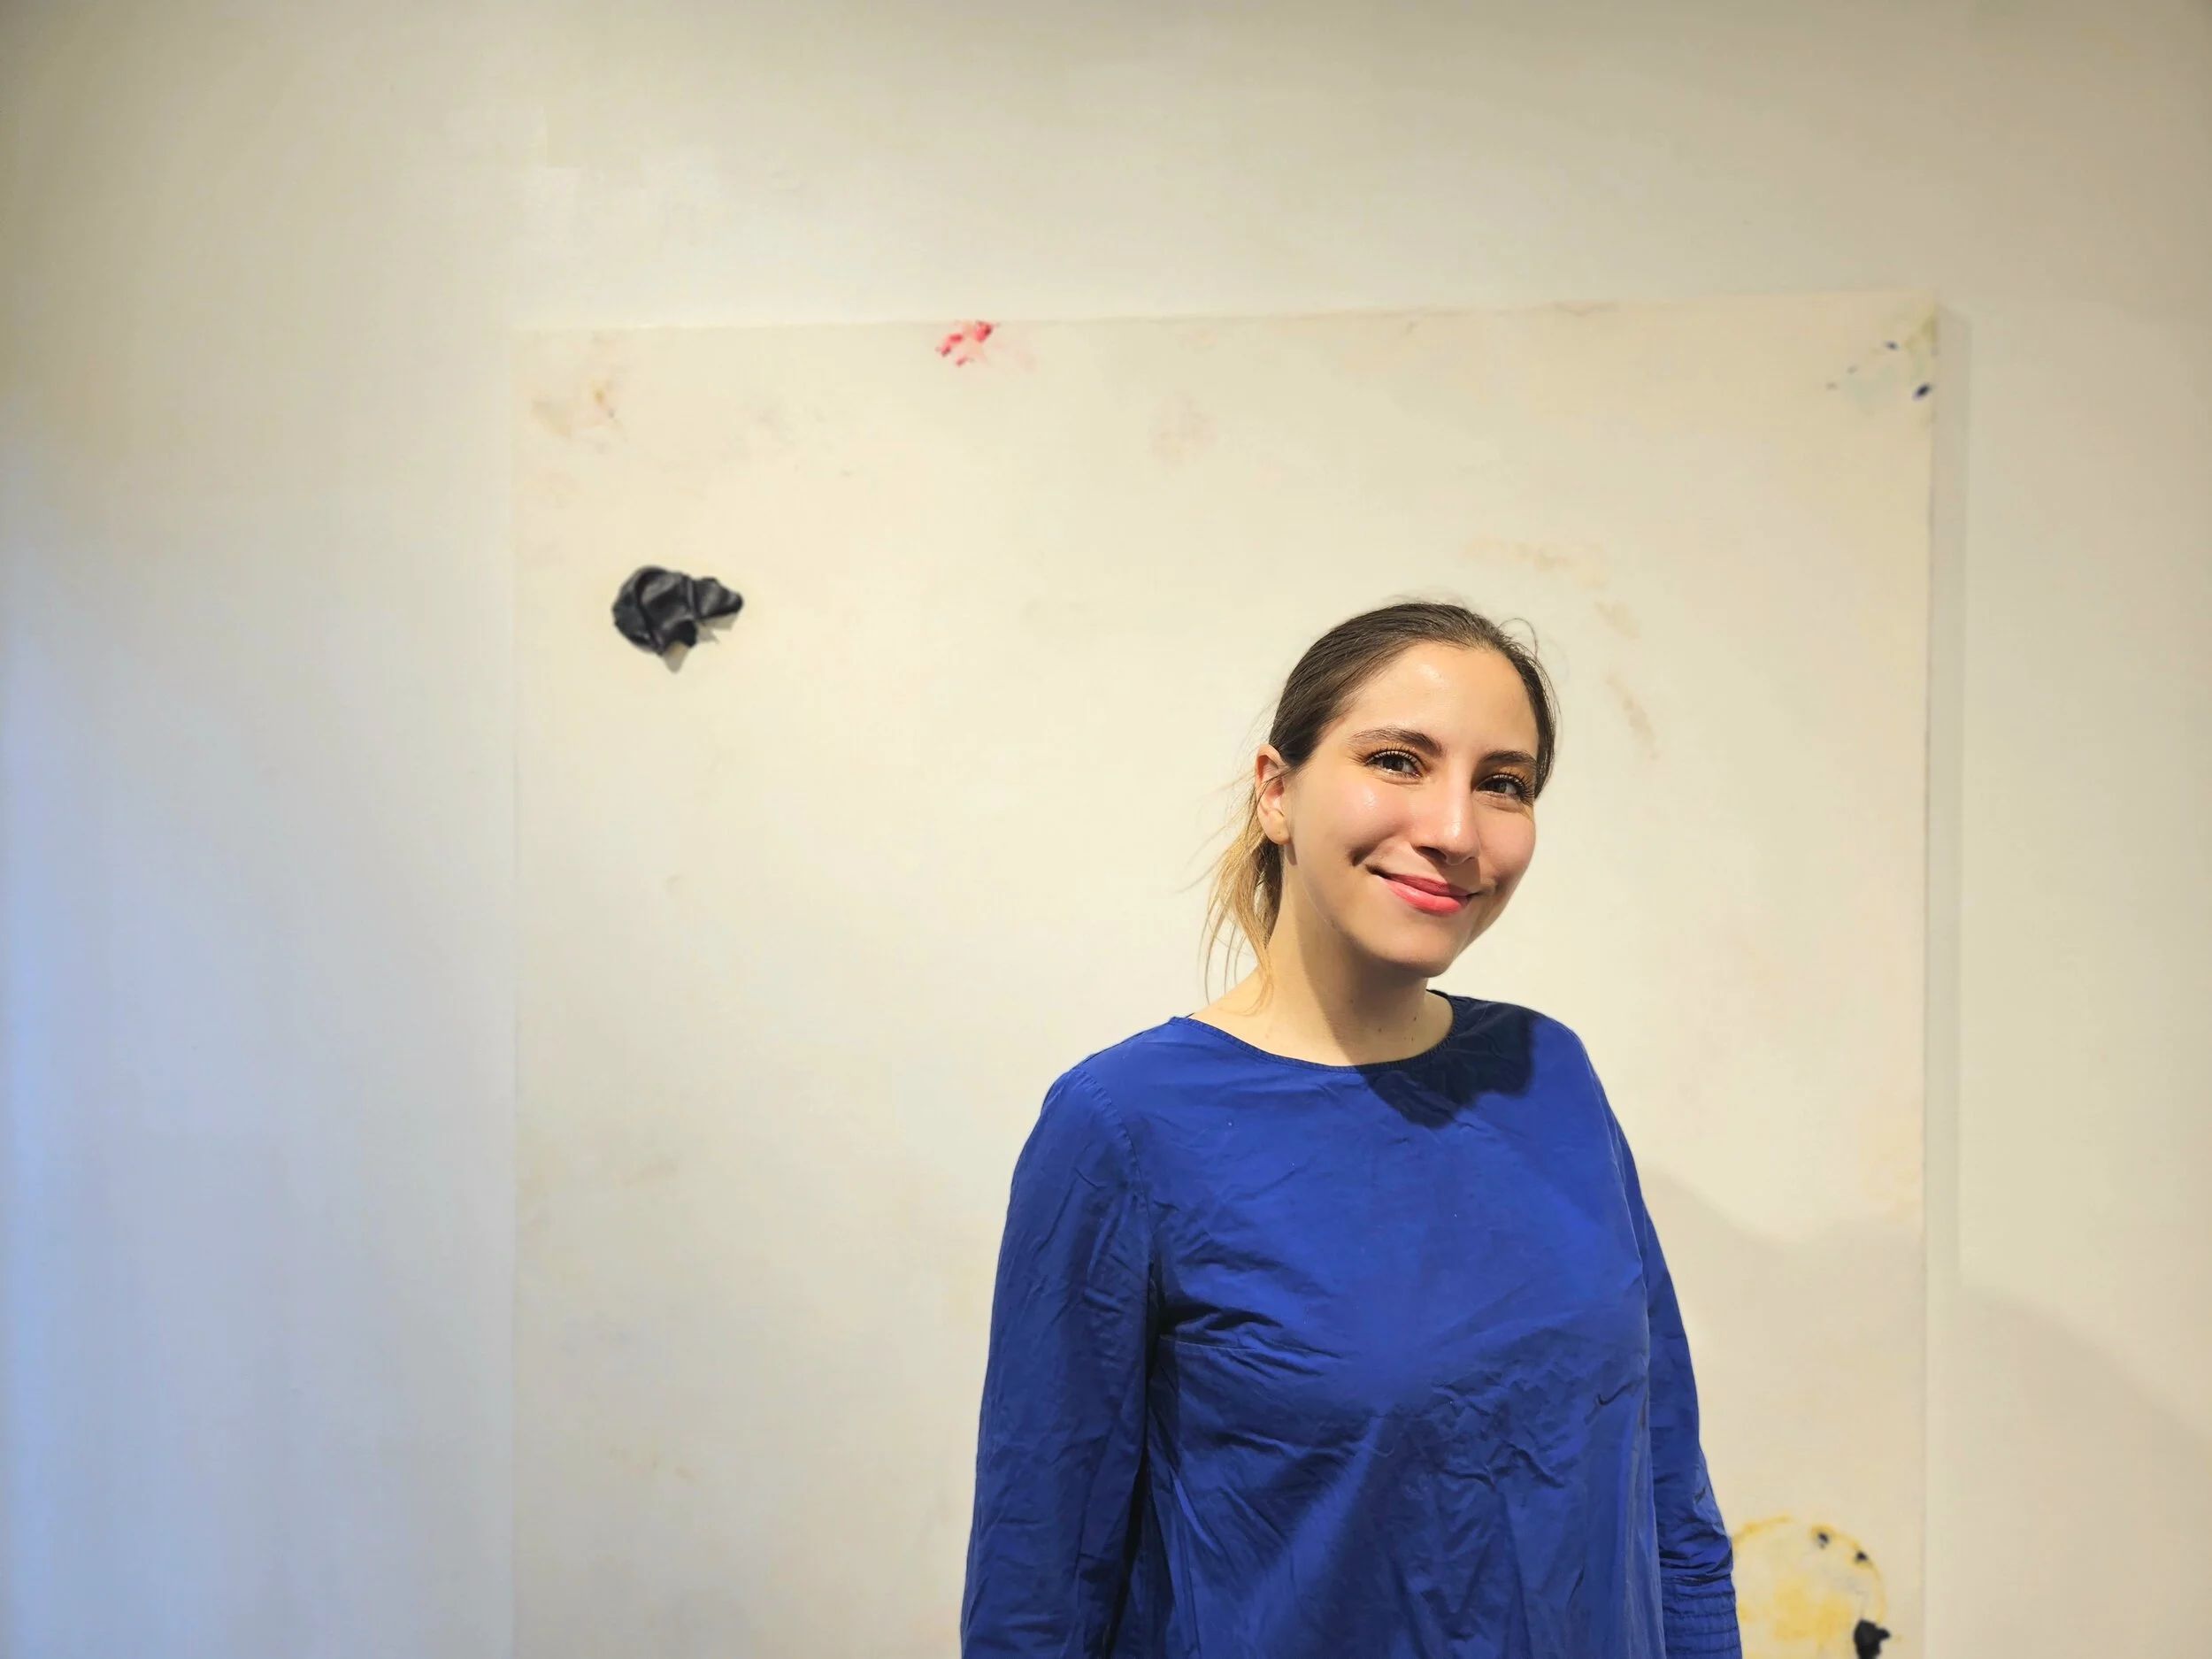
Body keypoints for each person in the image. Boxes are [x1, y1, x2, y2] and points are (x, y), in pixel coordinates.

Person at [960, 599, 1740, 1658]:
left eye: (1501, 783)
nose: (1456, 830)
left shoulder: (1548, 1072)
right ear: (1276, 793)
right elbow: (1038, 1588)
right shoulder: (1124, 1126)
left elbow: (1667, 1493)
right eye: (1398, 760)